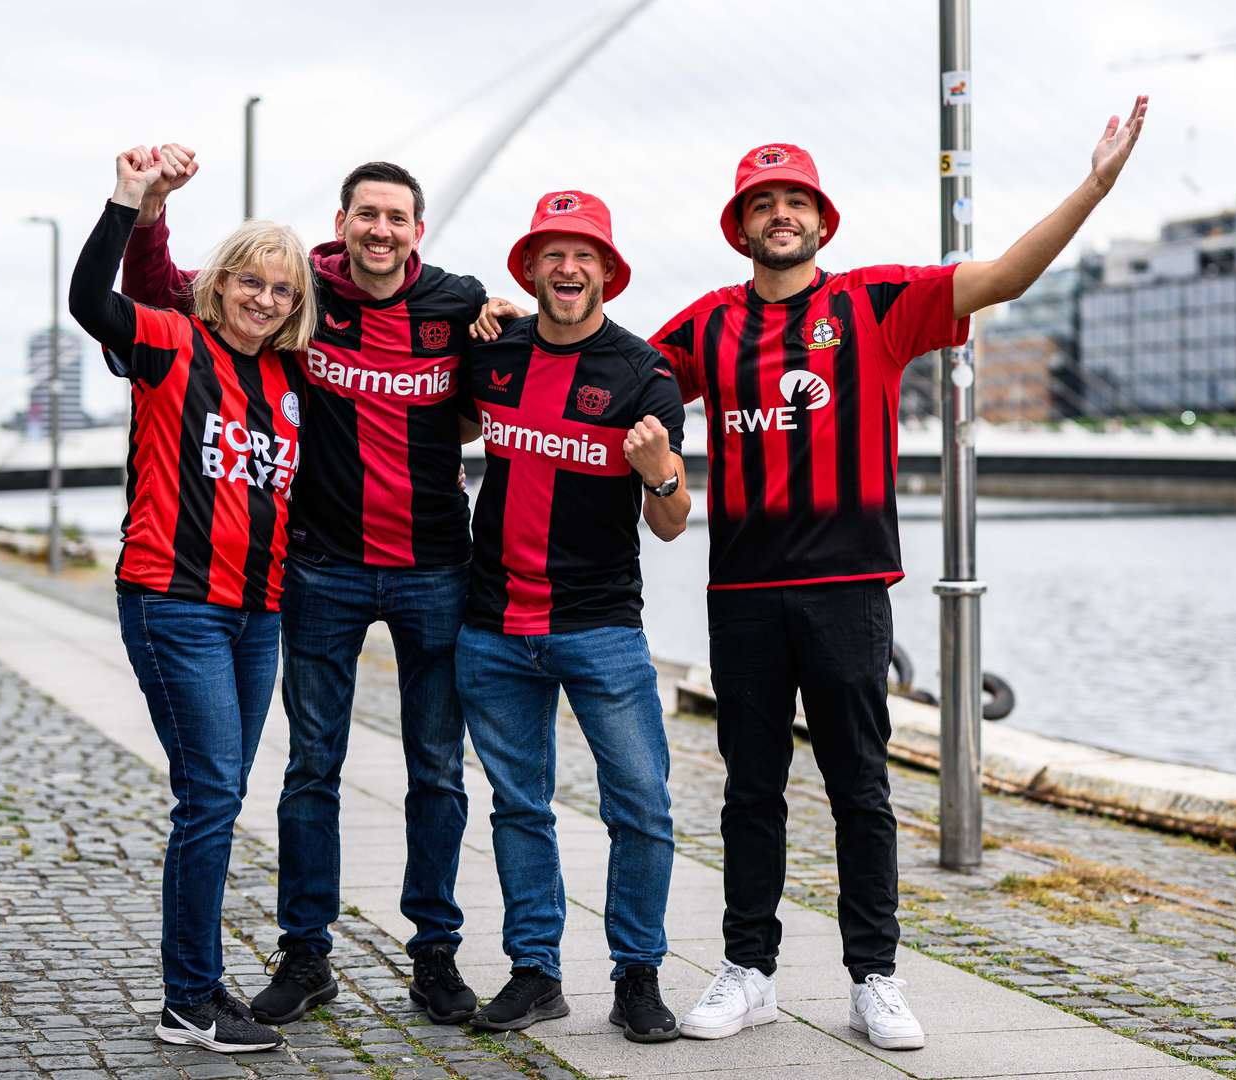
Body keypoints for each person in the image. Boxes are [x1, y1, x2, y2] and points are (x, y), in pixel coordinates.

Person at [650, 98, 1147, 1051]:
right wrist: (501, 328)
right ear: (740, 225)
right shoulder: (709, 324)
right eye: (763, 203)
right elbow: (611, 373)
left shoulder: (876, 303)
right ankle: (748, 969)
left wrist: (1094, 187)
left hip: (847, 592)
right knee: (749, 791)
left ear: (821, 220)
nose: (780, 215)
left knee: (860, 792)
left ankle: (874, 976)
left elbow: (1003, 274)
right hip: (743, 596)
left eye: (795, 200)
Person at [122, 148, 521, 1026]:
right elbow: (165, 291)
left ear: (420, 230)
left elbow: (527, 377)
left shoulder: (456, 302)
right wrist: (148, 212)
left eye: (398, 218)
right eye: (365, 215)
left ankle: (435, 956)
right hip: (320, 572)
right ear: (341, 225)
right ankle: (306, 957)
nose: (381, 230)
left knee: (437, 773)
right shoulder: (299, 289)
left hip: (433, 570)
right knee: (312, 770)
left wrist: (511, 316)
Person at [69, 145, 317, 1055]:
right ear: (218, 285)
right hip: (175, 604)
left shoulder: (289, 382)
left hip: (260, 616)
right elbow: (91, 302)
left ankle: (196, 987)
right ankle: (189, 998)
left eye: (282, 290)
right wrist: (129, 203)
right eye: (249, 282)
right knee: (210, 793)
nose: (265, 299)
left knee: (215, 794)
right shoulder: (171, 344)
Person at [455, 191, 691, 1042]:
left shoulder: (643, 374)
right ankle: (534, 974)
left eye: (583, 253)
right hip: (491, 628)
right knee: (519, 806)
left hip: (599, 630)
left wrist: (660, 471)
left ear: (607, 271)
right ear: (530, 269)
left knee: (642, 806)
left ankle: (637, 977)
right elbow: (438, 424)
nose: (567, 268)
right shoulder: (494, 354)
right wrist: (479, 316)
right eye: (552, 253)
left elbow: (671, 521)